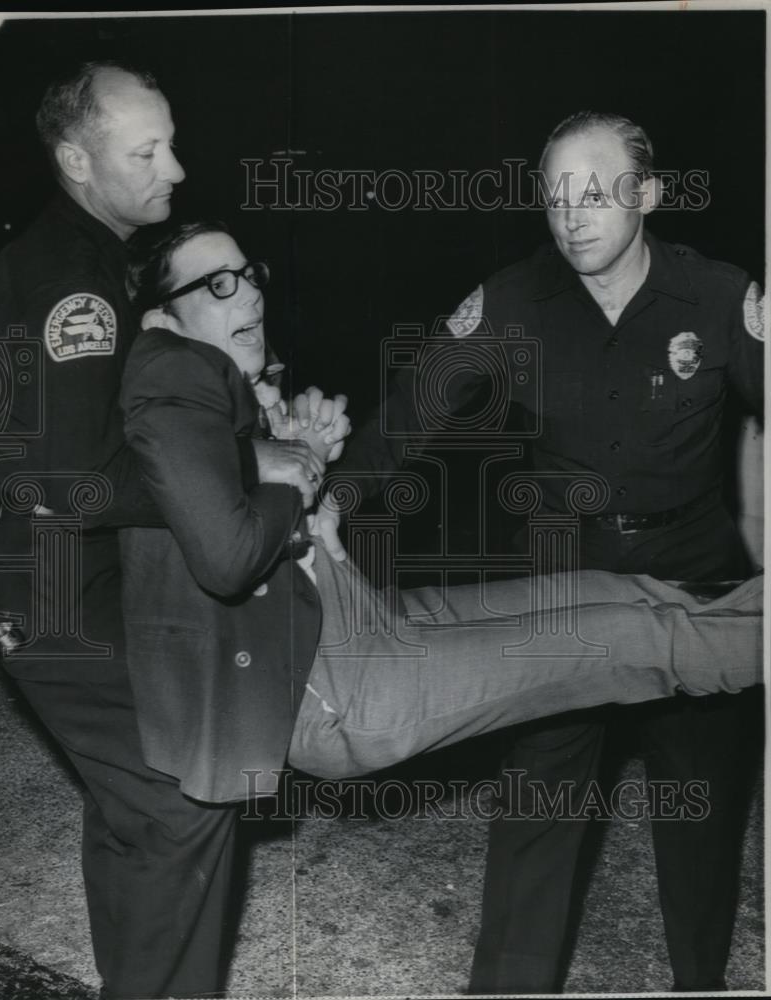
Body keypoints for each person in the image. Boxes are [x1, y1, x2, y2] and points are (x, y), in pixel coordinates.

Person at [313, 111, 765, 992]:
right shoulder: (513, 300)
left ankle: (702, 981)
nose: (573, 215)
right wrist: (328, 502)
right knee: (540, 798)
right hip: (559, 582)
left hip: (696, 575)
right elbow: (411, 417)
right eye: (556, 195)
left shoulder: (718, 296)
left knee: (704, 805)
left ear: (650, 195)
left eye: (596, 192)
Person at [119, 219, 762, 805]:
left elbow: (225, 462)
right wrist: (303, 460)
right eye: (219, 285)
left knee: (616, 595)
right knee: (630, 639)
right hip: (342, 691)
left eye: (248, 276)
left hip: (357, 623)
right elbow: (224, 544)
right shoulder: (172, 375)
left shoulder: (223, 386)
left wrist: (293, 448)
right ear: (161, 321)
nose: (251, 296)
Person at [0, 61, 324, 1000]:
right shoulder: (71, 280)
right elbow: (79, 478)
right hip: (55, 593)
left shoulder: (87, 259)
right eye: (148, 150)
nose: (174, 168)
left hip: (77, 582)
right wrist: (255, 466)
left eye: (170, 141)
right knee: (181, 800)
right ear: (76, 160)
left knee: (133, 806)